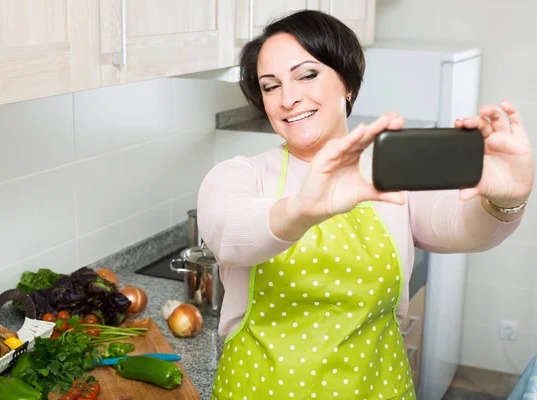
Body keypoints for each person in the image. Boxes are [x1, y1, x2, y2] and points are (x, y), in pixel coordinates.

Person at [197, 10, 534, 400]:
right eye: (270, 86)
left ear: (348, 85)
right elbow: (230, 234)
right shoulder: (238, 176)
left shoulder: (389, 174)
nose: (288, 98)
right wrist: (303, 207)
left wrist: (506, 198)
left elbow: (462, 226)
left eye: (307, 75)